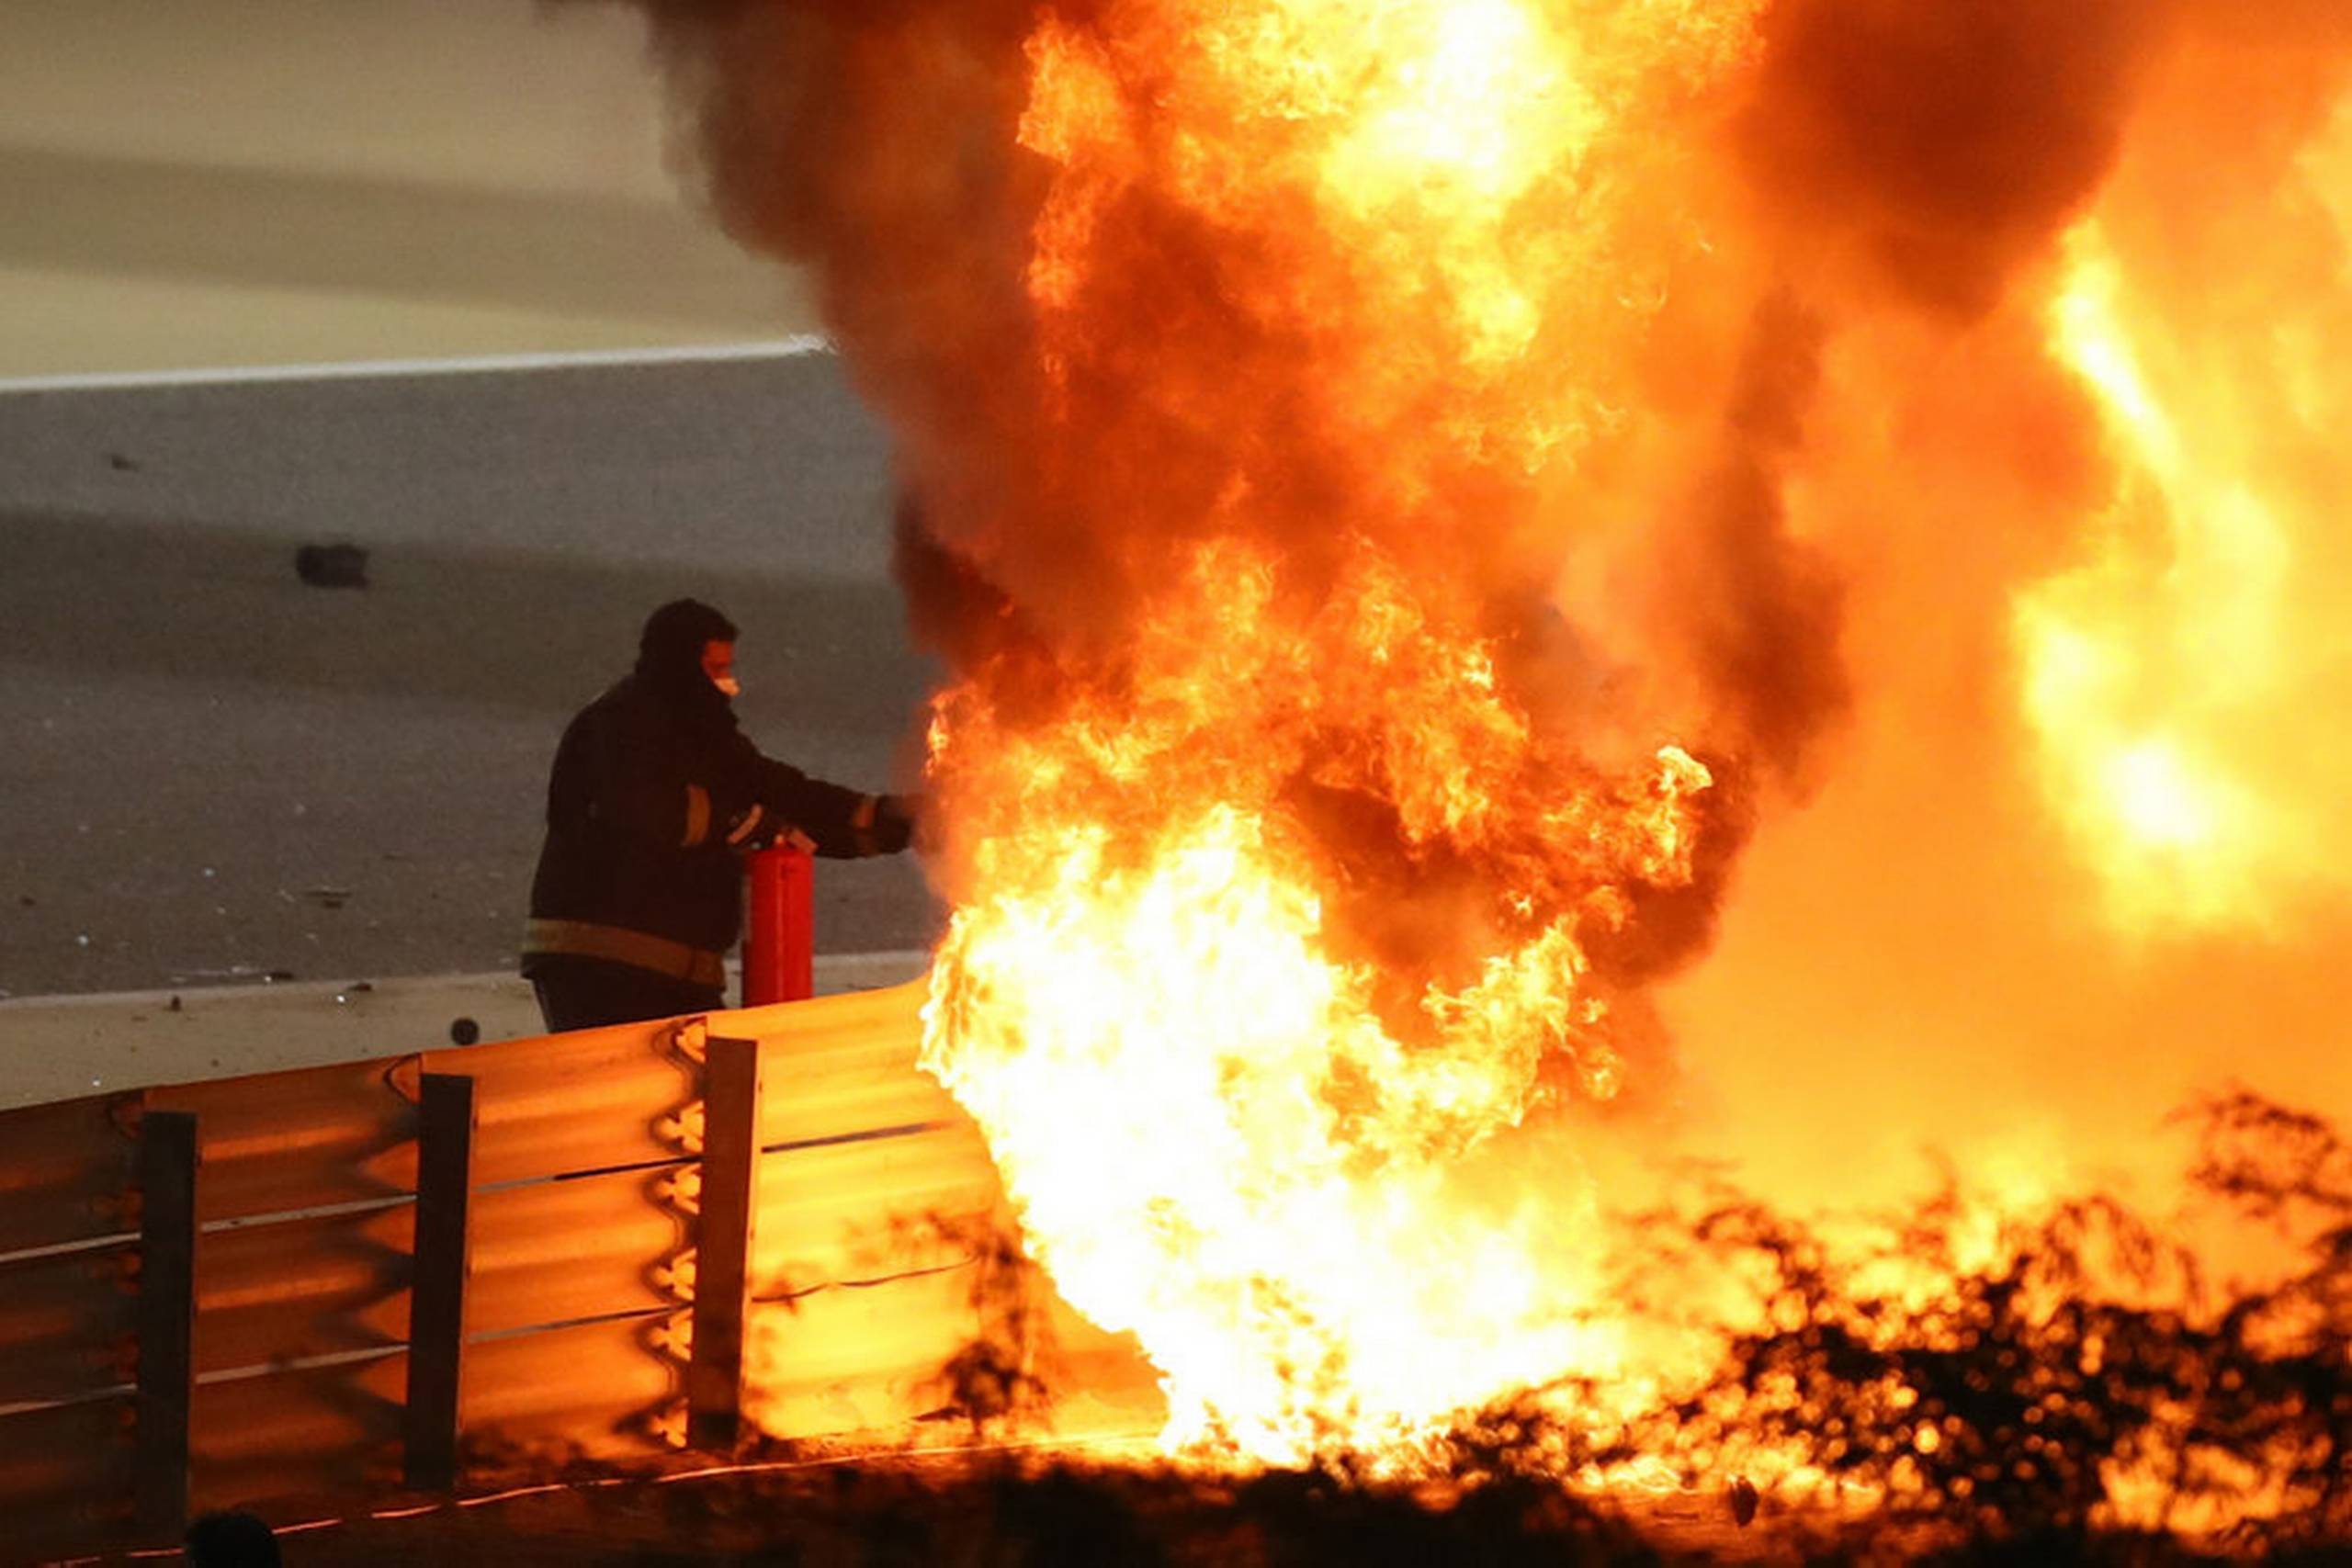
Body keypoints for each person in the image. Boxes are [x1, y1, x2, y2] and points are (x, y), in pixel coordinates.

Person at [521, 598, 916, 1032]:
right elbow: (641, 807)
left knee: (705, 1087)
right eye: (715, 670)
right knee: (622, 1089)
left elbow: (780, 793)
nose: (728, 683)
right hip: (600, 968)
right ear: (678, 665)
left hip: (676, 974)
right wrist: (741, 823)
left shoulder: (704, 733)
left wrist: (883, 819)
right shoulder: (619, 724)